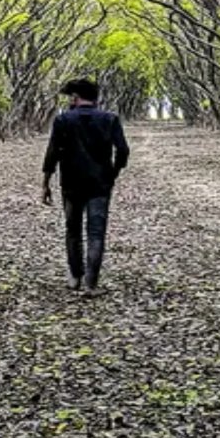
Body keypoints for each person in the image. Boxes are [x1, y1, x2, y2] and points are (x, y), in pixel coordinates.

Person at [41, 77, 130, 294]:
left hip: (71, 184)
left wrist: (45, 183)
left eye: (70, 97)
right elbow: (123, 150)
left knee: (73, 230)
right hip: (100, 184)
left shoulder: (63, 120)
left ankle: (75, 276)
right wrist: (113, 173)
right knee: (96, 233)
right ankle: (91, 283)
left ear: (75, 97)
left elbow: (52, 152)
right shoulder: (110, 119)